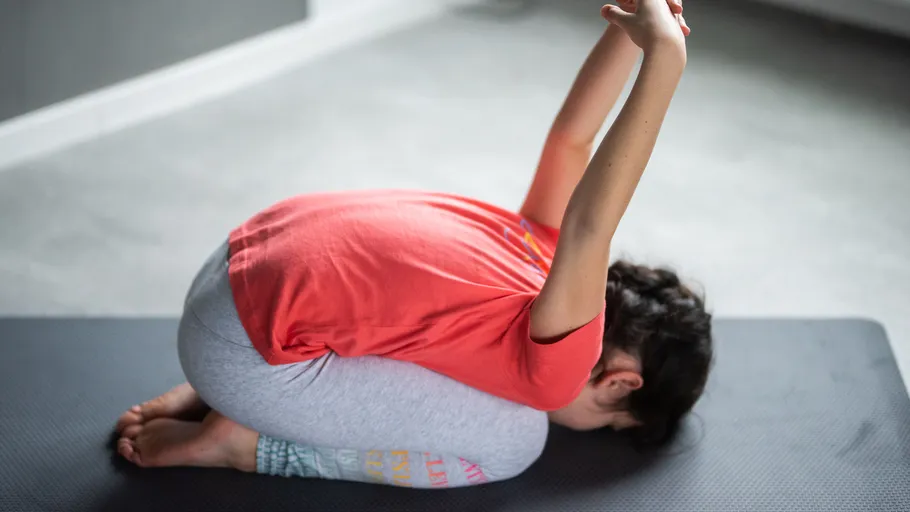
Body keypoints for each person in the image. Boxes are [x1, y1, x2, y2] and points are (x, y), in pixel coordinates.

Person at [115, 0, 712, 488]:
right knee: (514, 440)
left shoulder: (541, 243)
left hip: (232, 266)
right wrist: (665, 59)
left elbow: (572, 138)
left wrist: (629, 29)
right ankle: (242, 442)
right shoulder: (559, 366)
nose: (588, 428)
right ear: (620, 383)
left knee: (429, 331)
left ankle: (226, 388)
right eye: (609, 425)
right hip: (239, 351)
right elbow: (593, 224)